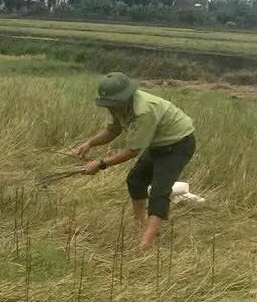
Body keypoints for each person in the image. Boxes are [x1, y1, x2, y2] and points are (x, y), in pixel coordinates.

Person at [74, 72, 196, 249]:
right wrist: (89, 144)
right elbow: (113, 130)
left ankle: (146, 242)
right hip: (157, 144)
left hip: (178, 144)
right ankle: (141, 225)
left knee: (159, 191)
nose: (109, 108)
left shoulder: (144, 110)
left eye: (112, 104)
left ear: (124, 98)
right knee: (135, 179)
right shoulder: (119, 107)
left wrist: (100, 164)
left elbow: (132, 151)